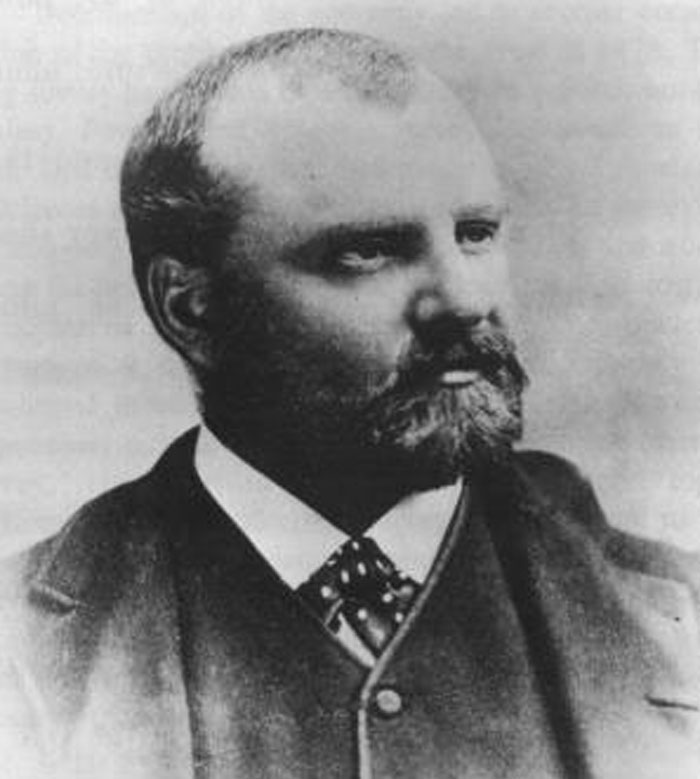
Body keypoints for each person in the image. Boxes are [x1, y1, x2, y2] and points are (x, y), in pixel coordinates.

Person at [1, 27, 698, 779]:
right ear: (190, 307)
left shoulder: (674, 616)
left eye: (476, 233)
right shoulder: (24, 654)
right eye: (366, 251)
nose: (463, 300)